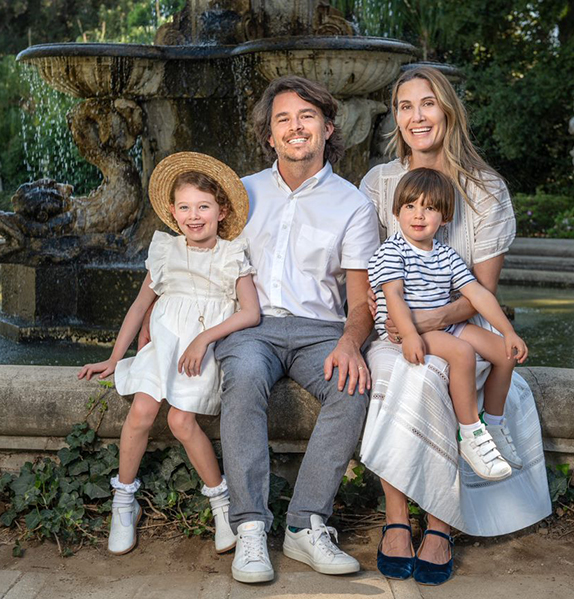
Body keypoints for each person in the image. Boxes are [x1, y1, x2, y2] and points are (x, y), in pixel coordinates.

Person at [358, 66, 552, 585]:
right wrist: (396, 323)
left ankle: (440, 523)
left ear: (447, 110)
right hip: (394, 328)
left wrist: (433, 321)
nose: (415, 116)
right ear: (395, 117)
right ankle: (396, 518)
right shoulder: (379, 183)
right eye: (404, 106)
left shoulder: (485, 190)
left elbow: (479, 289)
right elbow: (368, 272)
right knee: (411, 374)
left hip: (450, 325)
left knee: (441, 371)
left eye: (427, 103)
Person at [215, 75, 380, 584]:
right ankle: (248, 528)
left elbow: (361, 298)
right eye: (283, 119)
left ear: (328, 127)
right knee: (241, 380)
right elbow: (195, 261)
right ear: (270, 135)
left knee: (352, 386)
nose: (295, 127)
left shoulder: (353, 204)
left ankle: (306, 524)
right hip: (251, 326)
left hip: (320, 330)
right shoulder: (240, 194)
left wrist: (352, 344)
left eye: (306, 117)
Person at [77, 152, 260, 557]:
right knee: (142, 412)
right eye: (185, 207)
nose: (194, 216)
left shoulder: (232, 255)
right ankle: (125, 502)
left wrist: (204, 338)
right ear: (173, 212)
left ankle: (220, 504)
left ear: (221, 210)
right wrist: (114, 357)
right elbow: (140, 307)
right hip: (164, 346)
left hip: (201, 349)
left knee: (180, 420)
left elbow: (251, 312)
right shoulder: (165, 251)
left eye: (203, 207)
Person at [368, 167, 529, 484]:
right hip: (404, 329)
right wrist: (412, 334)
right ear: (396, 211)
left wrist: (508, 331)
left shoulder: (446, 255)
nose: (418, 214)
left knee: (505, 354)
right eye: (410, 206)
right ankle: (469, 434)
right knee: (462, 353)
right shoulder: (392, 250)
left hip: (440, 325)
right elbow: (395, 296)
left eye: (429, 207)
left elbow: (479, 295)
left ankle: (492, 425)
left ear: (444, 218)